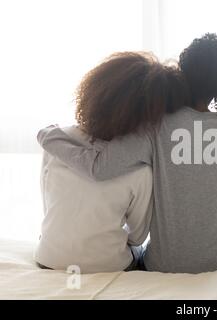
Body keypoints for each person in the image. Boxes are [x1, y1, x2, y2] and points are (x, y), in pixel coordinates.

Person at [37, 33, 217, 274]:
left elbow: (99, 168)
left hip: (168, 265)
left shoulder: (157, 127)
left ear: (184, 69)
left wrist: (48, 137)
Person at [35, 52, 188, 273]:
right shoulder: (141, 169)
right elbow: (137, 236)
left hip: (48, 257)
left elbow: (48, 206)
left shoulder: (56, 145)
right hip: (108, 265)